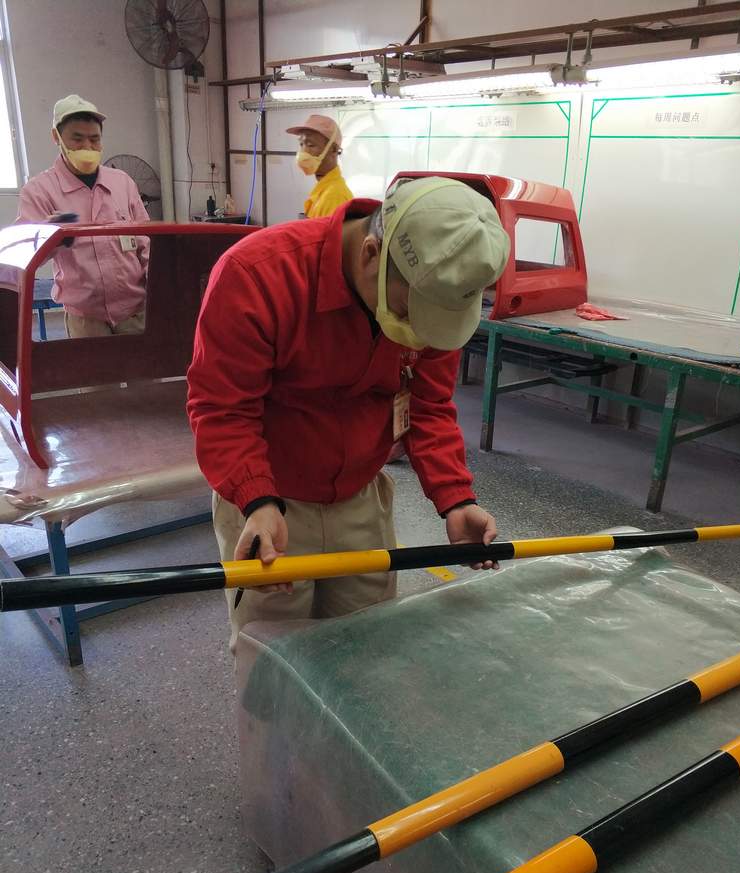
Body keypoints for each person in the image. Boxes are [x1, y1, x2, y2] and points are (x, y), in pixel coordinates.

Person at [187, 176, 510, 648]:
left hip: (362, 499)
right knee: (271, 654)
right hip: (270, 503)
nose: (419, 332)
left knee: (365, 647)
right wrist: (256, 501)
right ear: (371, 254)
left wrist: (456, 499)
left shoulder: (438, 293)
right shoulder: (257, 275)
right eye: (408, 312)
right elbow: (223, 408)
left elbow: (427, 406)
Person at [16, 94, 149, 339]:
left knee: (143, 365)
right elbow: (23, 253)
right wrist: (49, 235)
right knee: (93, 367)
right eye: (77, 139)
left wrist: (160, 289)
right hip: (86, 319)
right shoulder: (39, 191)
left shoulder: (122, 183)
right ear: (56, 137)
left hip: (135, 311)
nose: (87, 147)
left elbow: (146, 241)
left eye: (94, 139)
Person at [287, 114, 353, 219]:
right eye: (301, 144)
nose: (303, 152)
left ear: (333, 149)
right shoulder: (324, 188)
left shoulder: (334, 196)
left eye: (310, 145)